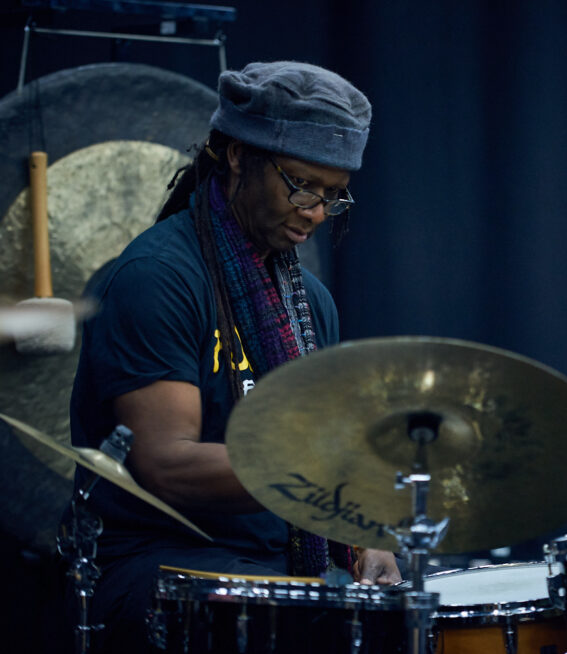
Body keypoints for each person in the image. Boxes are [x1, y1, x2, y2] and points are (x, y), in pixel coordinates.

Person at [67, 61, 401, 652]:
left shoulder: (310, 303)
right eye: (302, 184)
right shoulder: (158, 277)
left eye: (333, 195)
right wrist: (324, 474)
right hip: (161, 564)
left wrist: (368, 539)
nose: (316, 211)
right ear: (239, 156)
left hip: (274, 561)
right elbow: (167, 464)